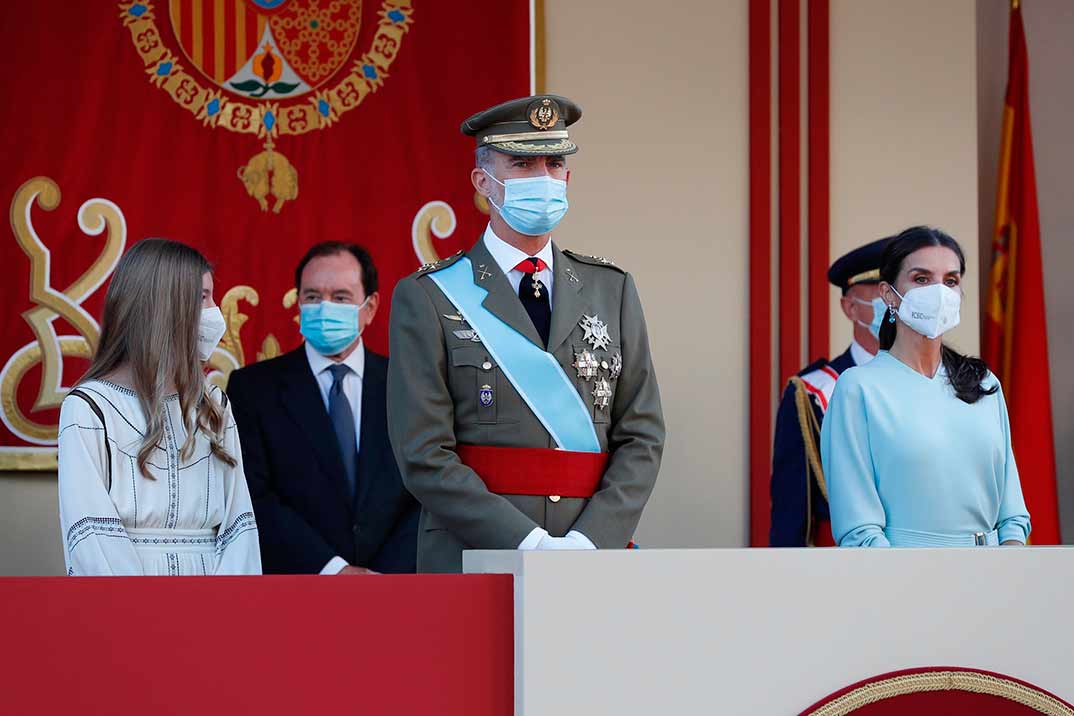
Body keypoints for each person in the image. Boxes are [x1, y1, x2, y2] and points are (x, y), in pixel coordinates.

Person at [387, 94, 665, 573]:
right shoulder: (430, 296)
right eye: (521, 162)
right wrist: (529, 543)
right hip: (472, 554)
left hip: (591, 559)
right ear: (483, 182)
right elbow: (423, 454)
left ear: (568, 178)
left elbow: (641, 435)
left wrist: (590, 540)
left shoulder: (611, 288)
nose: (543, 178)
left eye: (554, 163)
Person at [57, 238, 261, 575]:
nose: (215, 311)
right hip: (129, 603)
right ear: (166, 305)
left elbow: (239, 526)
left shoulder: (213, 404)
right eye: (202, 297)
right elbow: (92, 539)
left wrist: (229, 611)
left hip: (214, 596)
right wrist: (142, 615)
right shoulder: (89, 408)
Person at [820, 226, 1031, 547]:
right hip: (907, 580)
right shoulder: (858, 388)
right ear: (889, 294)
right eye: (921, 279)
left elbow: (1013, 515)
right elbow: (859, 529)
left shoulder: (984, 383)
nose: (938, 292)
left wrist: (1007, 572)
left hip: (993, 578)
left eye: (950, 281)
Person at [227, 242, 418, 574]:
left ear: (370, 307)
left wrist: (384, 579)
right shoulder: (253, 389)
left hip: (396, 590)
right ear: (299, 302)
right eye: (313, 297)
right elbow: (253, 496)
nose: (325, 307)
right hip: (296, 590)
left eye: (341, 297)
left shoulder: (409, 387)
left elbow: (426, 489)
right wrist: (335, 571)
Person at [769, 237, 891, 546]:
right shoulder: (812, 392)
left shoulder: (940, 382)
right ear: (850, 307)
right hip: (846, 567)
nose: (893, 303)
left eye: (898, 291)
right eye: (881, 293)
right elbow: (791, 514)